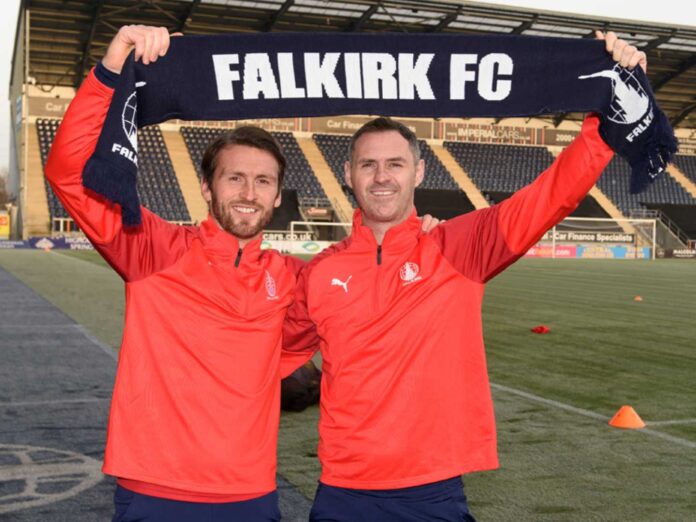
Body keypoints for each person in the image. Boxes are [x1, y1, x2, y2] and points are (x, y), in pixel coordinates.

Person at [282, 31, 647, 521]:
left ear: (419, 172)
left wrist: (604, 114)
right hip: (341, 490)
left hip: (431, 490)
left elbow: (550, 196)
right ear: (348, 174)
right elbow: (270, 352)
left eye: (395, 164)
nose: (381, 176)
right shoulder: (320, 271)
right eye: (368, 165)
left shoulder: (459, 247)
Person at [45, 25, 307, 521]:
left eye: (262, 181)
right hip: (154, 493)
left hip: (251, 496)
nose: (248, 193)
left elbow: (310, 333)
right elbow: (68, 175)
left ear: (277, 196)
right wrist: (112, 65)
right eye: (234, 178)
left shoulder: (294, 278)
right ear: (207, 189)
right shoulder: (154, 249)